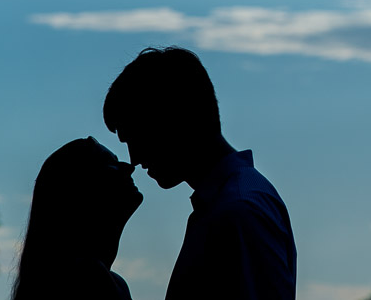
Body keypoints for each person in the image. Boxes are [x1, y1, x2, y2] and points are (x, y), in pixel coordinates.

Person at [103, 46, 297, 300]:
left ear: (174, 119)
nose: (134, 159)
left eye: (137, 137)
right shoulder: (232, 204)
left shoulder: (237, 212)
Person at [11, 137, 143, 300]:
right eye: (110, 164)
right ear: (81, 190)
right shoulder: (89, 279)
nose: (129, 167)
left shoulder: (86, 276)